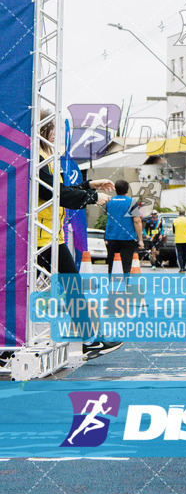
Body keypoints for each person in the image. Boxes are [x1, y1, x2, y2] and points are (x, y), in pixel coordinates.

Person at [37, 111, 123, 359]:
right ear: (45, 132)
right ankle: (89, 340)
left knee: (71, 288)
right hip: (41, 239)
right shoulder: (39, 158)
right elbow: (57, 195)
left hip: (51, 237)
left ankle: (89, 339)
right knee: (72, 289)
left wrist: (90, 185)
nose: (60, 136)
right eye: (56, 131)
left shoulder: (49, 159)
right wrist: (93, 197)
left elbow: (62, 190)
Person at [103, 179, 144, 273]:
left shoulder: (109, 201)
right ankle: (125, 284)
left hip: (112, 237)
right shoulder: (132, 202)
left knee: (112, 264)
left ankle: (112, 285)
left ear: (115, 189)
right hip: (128, 238)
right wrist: (140, 240)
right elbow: (137, 221)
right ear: (127, 190)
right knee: (126, 264)